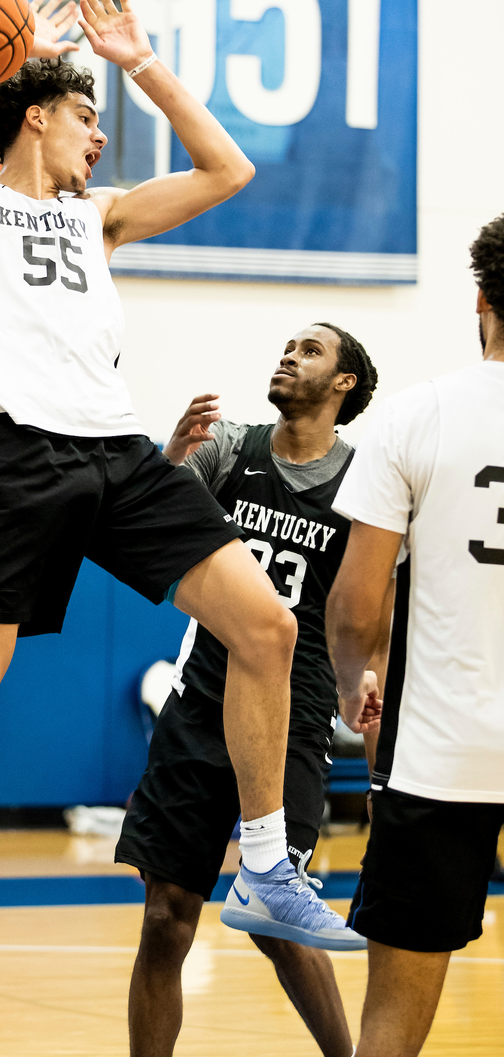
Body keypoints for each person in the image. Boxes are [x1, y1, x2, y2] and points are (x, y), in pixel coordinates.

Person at [0, 0, 339, 997]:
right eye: (85, 113)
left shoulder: (98, 219)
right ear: (34, 111)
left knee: (267, 628)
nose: (98, 137)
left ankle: (262, 860)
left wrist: (137, 58)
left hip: (119, 453)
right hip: (15, 462)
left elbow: (225, 167)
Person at [117, 322, 384, 1057]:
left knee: (278, 922)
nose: (287, 355)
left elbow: (370, 616)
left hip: (293, 710)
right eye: (286, 345)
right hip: (203, 694)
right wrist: (169, 460)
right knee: (165, 915)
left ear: (343, 384)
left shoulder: (365, 482)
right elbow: (145, 523)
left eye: (309, 351)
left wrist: (371, 693)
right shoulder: (230, 446)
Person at [326, 216, 504, 1057]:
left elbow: (357, 607)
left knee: (392, 1025)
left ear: (480, 302)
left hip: (439, 757)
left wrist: (356, 687)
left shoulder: (413, 416)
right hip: (444, 755)